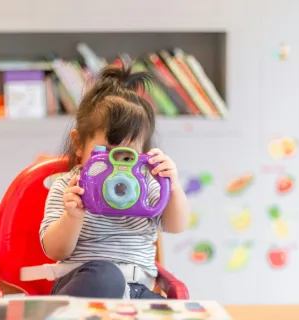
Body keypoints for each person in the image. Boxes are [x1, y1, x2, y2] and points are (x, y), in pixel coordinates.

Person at [39, 63, 190, 300]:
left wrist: (173, 185)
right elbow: (54, 250)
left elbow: (176, 226)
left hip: (137, 290)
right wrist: (73, 216)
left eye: (127, 156)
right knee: (106, 276)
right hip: (85, 284)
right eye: (106, 153)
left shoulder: (145, 184)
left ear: (144, 154)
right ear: (79, 144)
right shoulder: (69, 186)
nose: (116, 167)